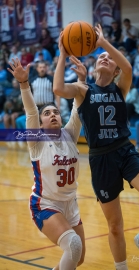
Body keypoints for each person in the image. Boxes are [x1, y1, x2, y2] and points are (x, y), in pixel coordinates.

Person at [53, 24, 139, 270]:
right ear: (94, 68)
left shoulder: (120, 88)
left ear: (115, 71)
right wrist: (62, 53)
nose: (104, 57)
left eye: (109, 58)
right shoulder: (83, 90)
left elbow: (129, 67)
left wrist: (102, 43)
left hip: (125, 151)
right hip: (101, 159)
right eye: (100, 56)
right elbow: (58, 88)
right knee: (114, 226)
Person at [7, 58, 86, 270]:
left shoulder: (70, 134)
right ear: (40, 123)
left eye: (56, 112)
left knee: (78, 258)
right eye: (47, 113)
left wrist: (81, 80)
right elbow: (31, 111)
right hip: (45, 204)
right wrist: (24, 84)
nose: (53, 115)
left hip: (71, 204)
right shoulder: (37, 140)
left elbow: (78, 108)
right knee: (73, 245)